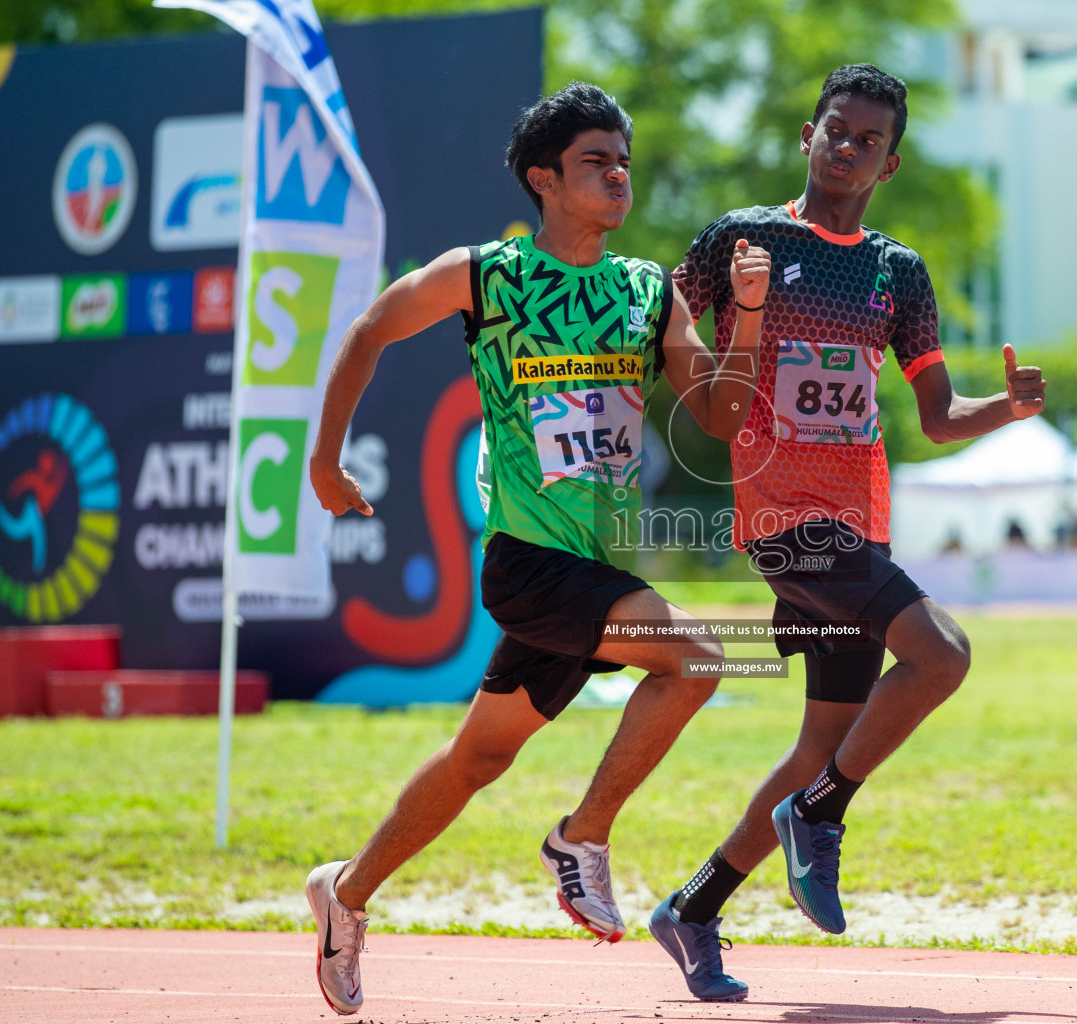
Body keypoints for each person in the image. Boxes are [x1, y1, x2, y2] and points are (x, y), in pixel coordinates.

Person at [304, 82, 772, 1016]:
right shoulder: (486, 275)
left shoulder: (647, 291)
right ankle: (582, 836)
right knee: (701, 660)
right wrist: (325, 459)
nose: (618, 176)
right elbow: (369, 332)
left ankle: (343, 894)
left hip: (599, 570)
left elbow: (720, 414)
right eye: (597, 162)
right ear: (543, 179)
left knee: (476, 761)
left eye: (623, 161)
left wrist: (749, 314)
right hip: (529, 563)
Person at [647, 64, 1047, 1003]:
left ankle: (695, 907)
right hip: (784, 521)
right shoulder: (742, 238)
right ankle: (818, 819)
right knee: (941, 656)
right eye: (837, 129)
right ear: (807, 133)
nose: (848, 146)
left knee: (822, 741)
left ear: (890, 164)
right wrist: (707, 383)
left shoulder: (896, 272)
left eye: (869, 140)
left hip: (858, 521)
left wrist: (1009, 410)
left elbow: (939, 414)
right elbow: (657, 310)